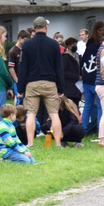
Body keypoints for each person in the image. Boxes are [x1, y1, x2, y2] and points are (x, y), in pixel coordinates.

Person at [21, 19, 65, 147]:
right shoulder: (53, 44)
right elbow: (59, 68)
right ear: (46, 28)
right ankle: (57, 143)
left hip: (32, 83)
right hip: (50, 83)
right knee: (54, 114)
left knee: (31, 114)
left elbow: (23, 67)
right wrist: (61, 88)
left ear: (34, 28)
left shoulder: (27, 44)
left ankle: (30, 143)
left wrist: (20, 89)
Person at [79, 21, 104, 138]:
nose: (101, 32)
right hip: (95, 80)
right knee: (98, 106)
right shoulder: (101, 48)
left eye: (102, 30)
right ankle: (98, 130)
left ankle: (85, 129)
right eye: (99, 30)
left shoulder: (89, 45)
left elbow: (83, 61)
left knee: (89, 105)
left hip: (87, 79)